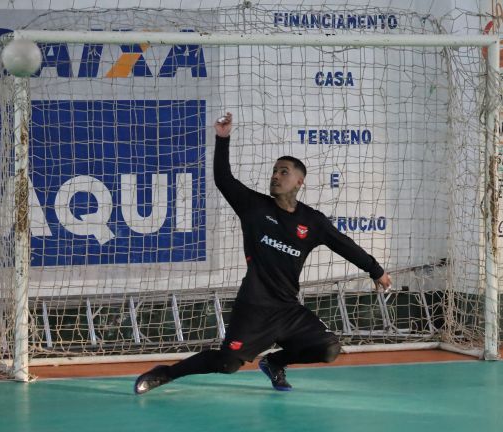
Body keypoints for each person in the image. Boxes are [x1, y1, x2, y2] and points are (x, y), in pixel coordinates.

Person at [134, 112, 391, 395]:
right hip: (254, 307)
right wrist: (223, 138)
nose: (276, 176)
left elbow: (343, 244)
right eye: (274, 171)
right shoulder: (254, 207)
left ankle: (275, 362)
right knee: (227, 363)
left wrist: (375, 270)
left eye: (284, 172)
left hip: (287, 309)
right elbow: (223, 179)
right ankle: (166, 372)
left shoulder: (312, 221)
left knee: (329, 348)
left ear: (298, 182)